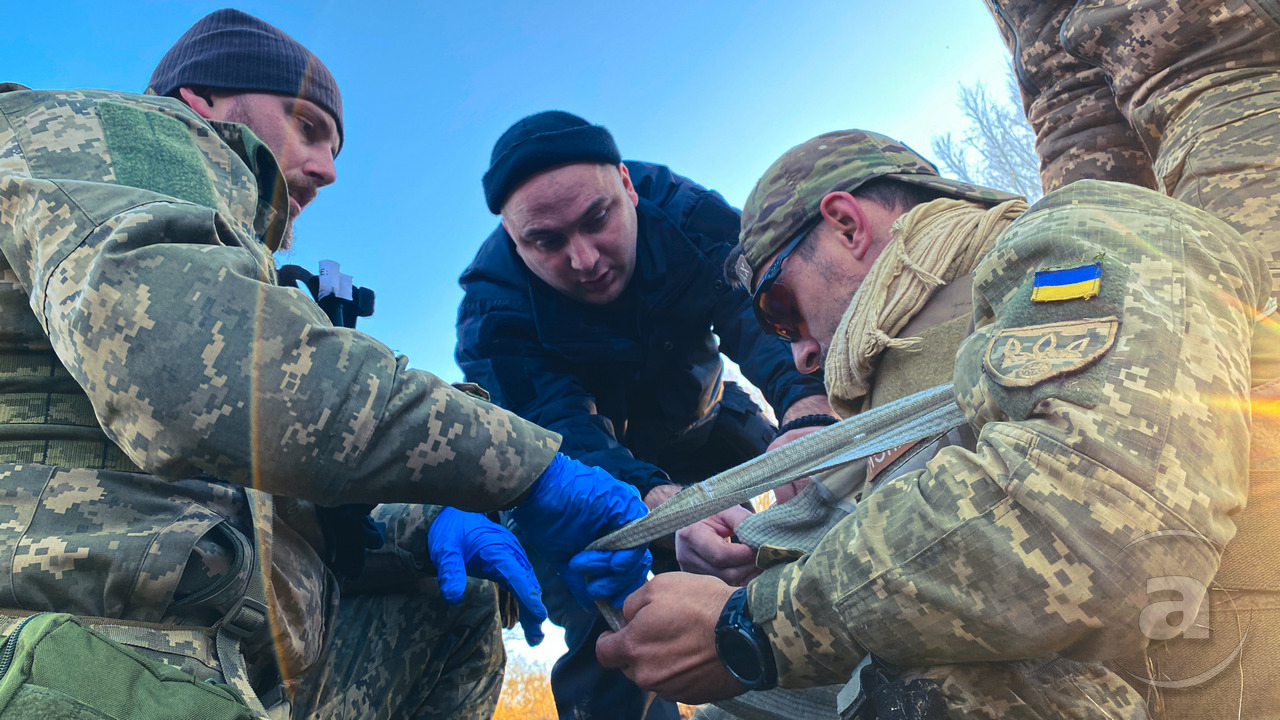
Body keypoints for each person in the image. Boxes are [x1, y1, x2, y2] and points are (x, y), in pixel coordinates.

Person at [0, 9, 650, 719]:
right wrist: (529, 470)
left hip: (232, 648)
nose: (328, 169)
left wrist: (427, 523)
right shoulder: (124, 134)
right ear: (203, 100)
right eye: (307, 126)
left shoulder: (235, 262)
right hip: (68, 627)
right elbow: (191, 373)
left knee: (448, 604)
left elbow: (290, 504)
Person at [594, 130, 1279, 718]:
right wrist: (748, 567)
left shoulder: (1083, 234)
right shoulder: (885, 409)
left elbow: (1099, 522)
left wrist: (749, 625)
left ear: (846, 225)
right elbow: (905, 573)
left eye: (782, 307)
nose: (798, 350)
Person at [456, 111, 835, 719]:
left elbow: (762, 309)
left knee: (829, 483)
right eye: (547, 242)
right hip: (586, 477)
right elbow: (558, 430)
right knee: (608, 613)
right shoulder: (493, 306)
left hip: (708, 420)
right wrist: (667, 507)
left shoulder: (686, 212)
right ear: (512, 239)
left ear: (629, 188)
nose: (584, 259)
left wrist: (806, 411)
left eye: (597, 219)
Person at [980, 0, 1280, 292]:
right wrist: (1077, 217)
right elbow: (1061, 84)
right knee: (1084, 312)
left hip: (1232, 64)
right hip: (1091, 127)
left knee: (1255, 298)